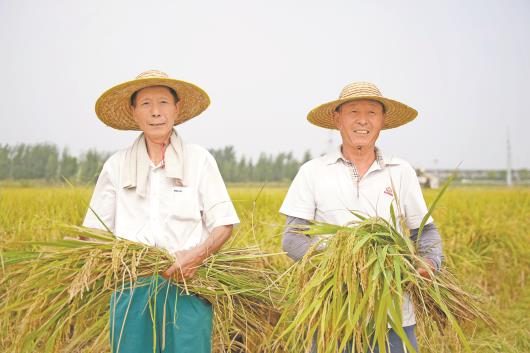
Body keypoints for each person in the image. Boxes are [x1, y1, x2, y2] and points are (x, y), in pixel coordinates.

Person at [279, 82, 443, 353]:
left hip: (393, 315)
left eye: (372, 113)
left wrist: (428, 263)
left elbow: (425, 232)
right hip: (332, 313)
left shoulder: (400, 171)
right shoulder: (313, 172)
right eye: (353, 112)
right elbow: (292, 237)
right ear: (337, 119)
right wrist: (342, 269)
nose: (363, 121)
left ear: (382, 121)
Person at [83, 70, 240, 353]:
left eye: (163, 103)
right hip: (131, 289)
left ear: (177, 108)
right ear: (133, 112)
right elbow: (94, 232)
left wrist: (196, 256)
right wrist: (112, 261)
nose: (156, 112)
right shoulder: (116, 166)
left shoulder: (198, 160)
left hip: (187, 286)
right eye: (145, 104)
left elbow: (224, 224)